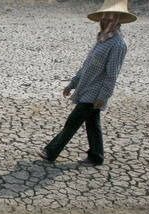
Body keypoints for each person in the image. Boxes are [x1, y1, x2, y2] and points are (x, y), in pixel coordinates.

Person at [38, 0, 137, 167]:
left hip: (95, 93)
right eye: (104, 18)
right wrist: (72, 84)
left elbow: (112, 75)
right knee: (92, 124)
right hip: (86, 88)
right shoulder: (103, 39)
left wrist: (103, 97)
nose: (105, 21)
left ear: (118, 20)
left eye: (110, 18)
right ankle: (96, 156)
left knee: (73, 121)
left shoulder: (118, 44)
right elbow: (87, 65)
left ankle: (51, 152)